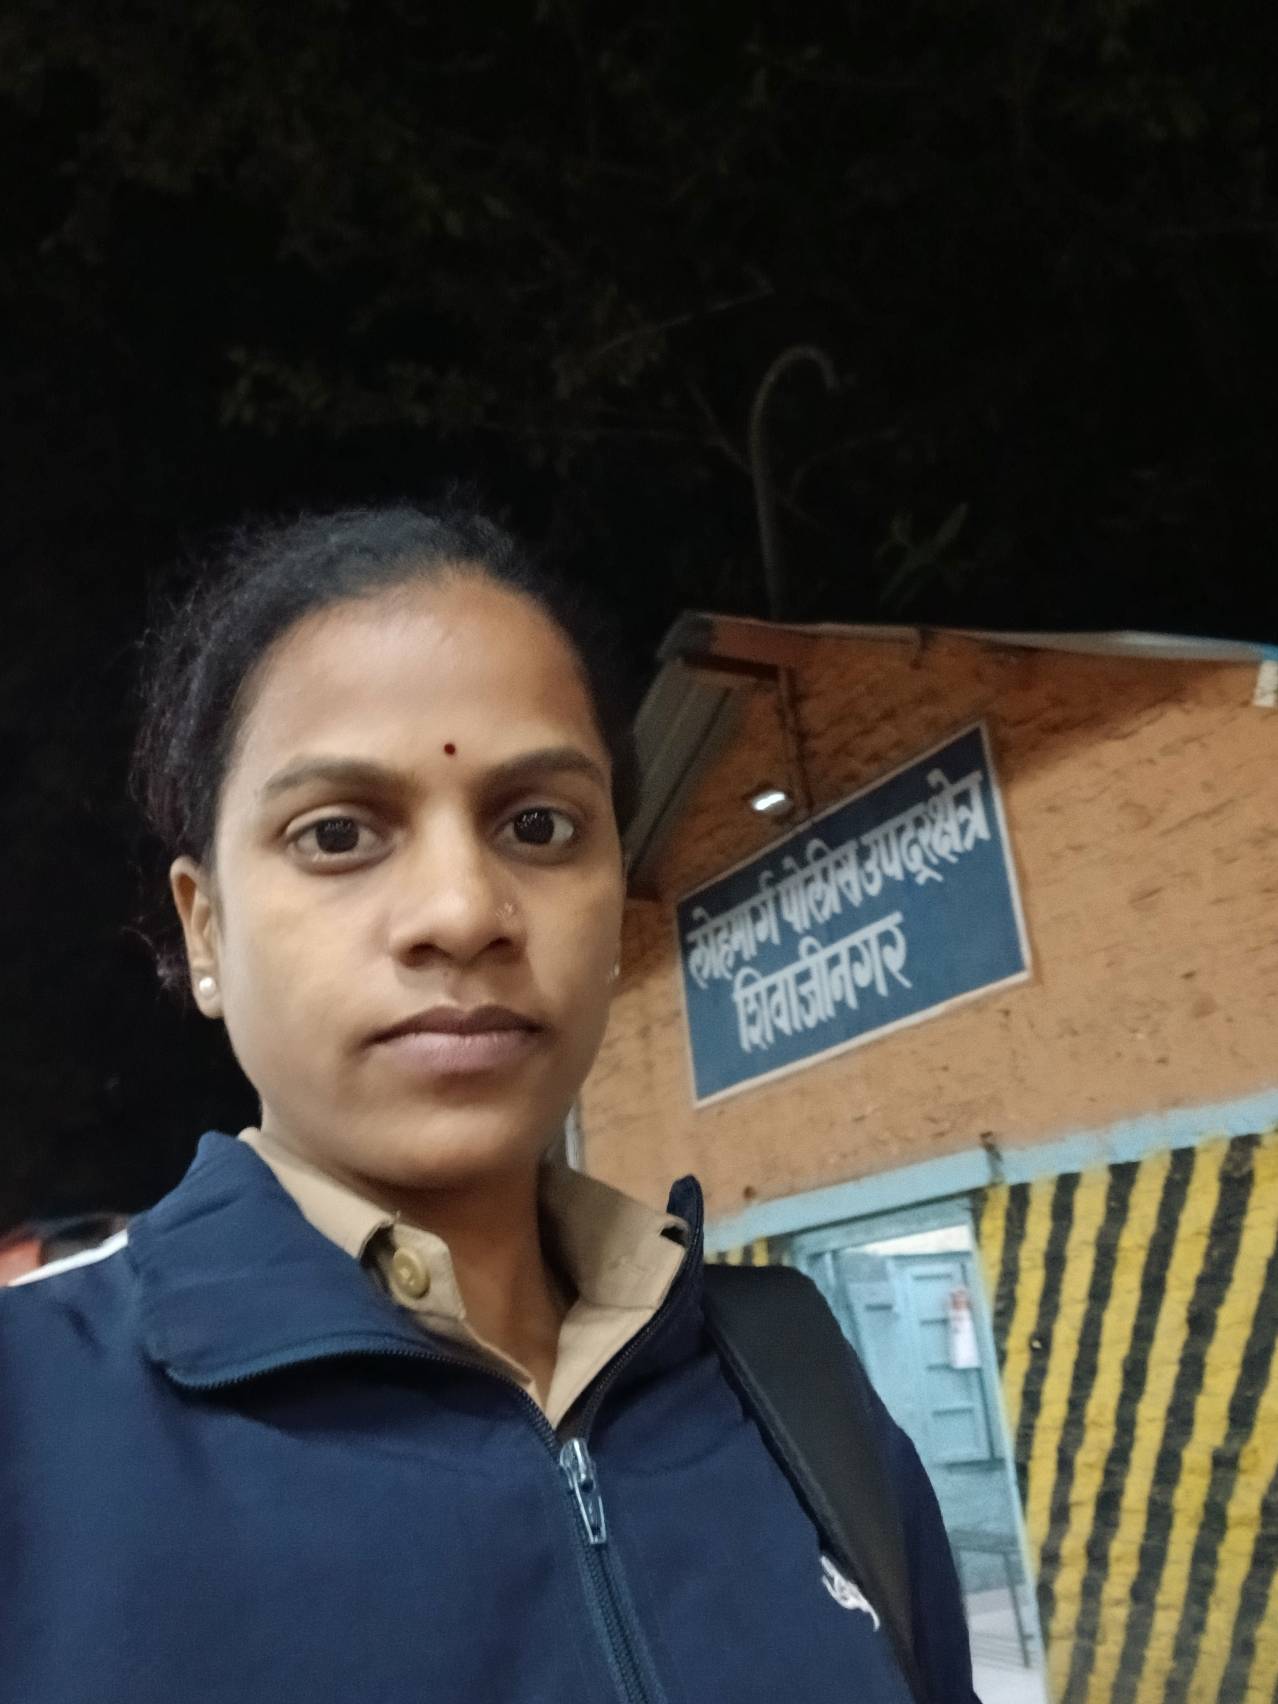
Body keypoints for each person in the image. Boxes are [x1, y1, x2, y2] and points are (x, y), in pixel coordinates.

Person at [0, 504, 978, 1703]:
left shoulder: (795, 1392)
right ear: (205, 931)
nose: (463, 913)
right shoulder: (33, 1422)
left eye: (539, 825)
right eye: (338, 833)